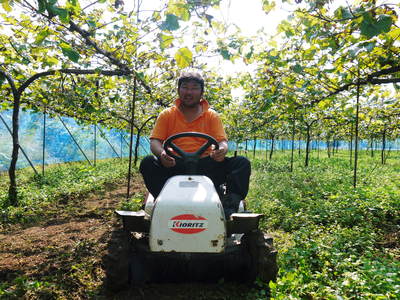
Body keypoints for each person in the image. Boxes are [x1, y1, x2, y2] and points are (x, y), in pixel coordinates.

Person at [139, 72, 250, 217]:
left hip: (206, 166)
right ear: (179, 90)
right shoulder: (167, 115)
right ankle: (164, 203)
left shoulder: (211, 116)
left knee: (241, 163)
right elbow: (155, 142)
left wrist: (222, 150)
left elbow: (222, 141)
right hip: (174, 164)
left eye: (194, 88)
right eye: (185, 87)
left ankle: (228, 208)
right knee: (148, 162)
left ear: (201, 92)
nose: (189, 92)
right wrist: (162, 154)